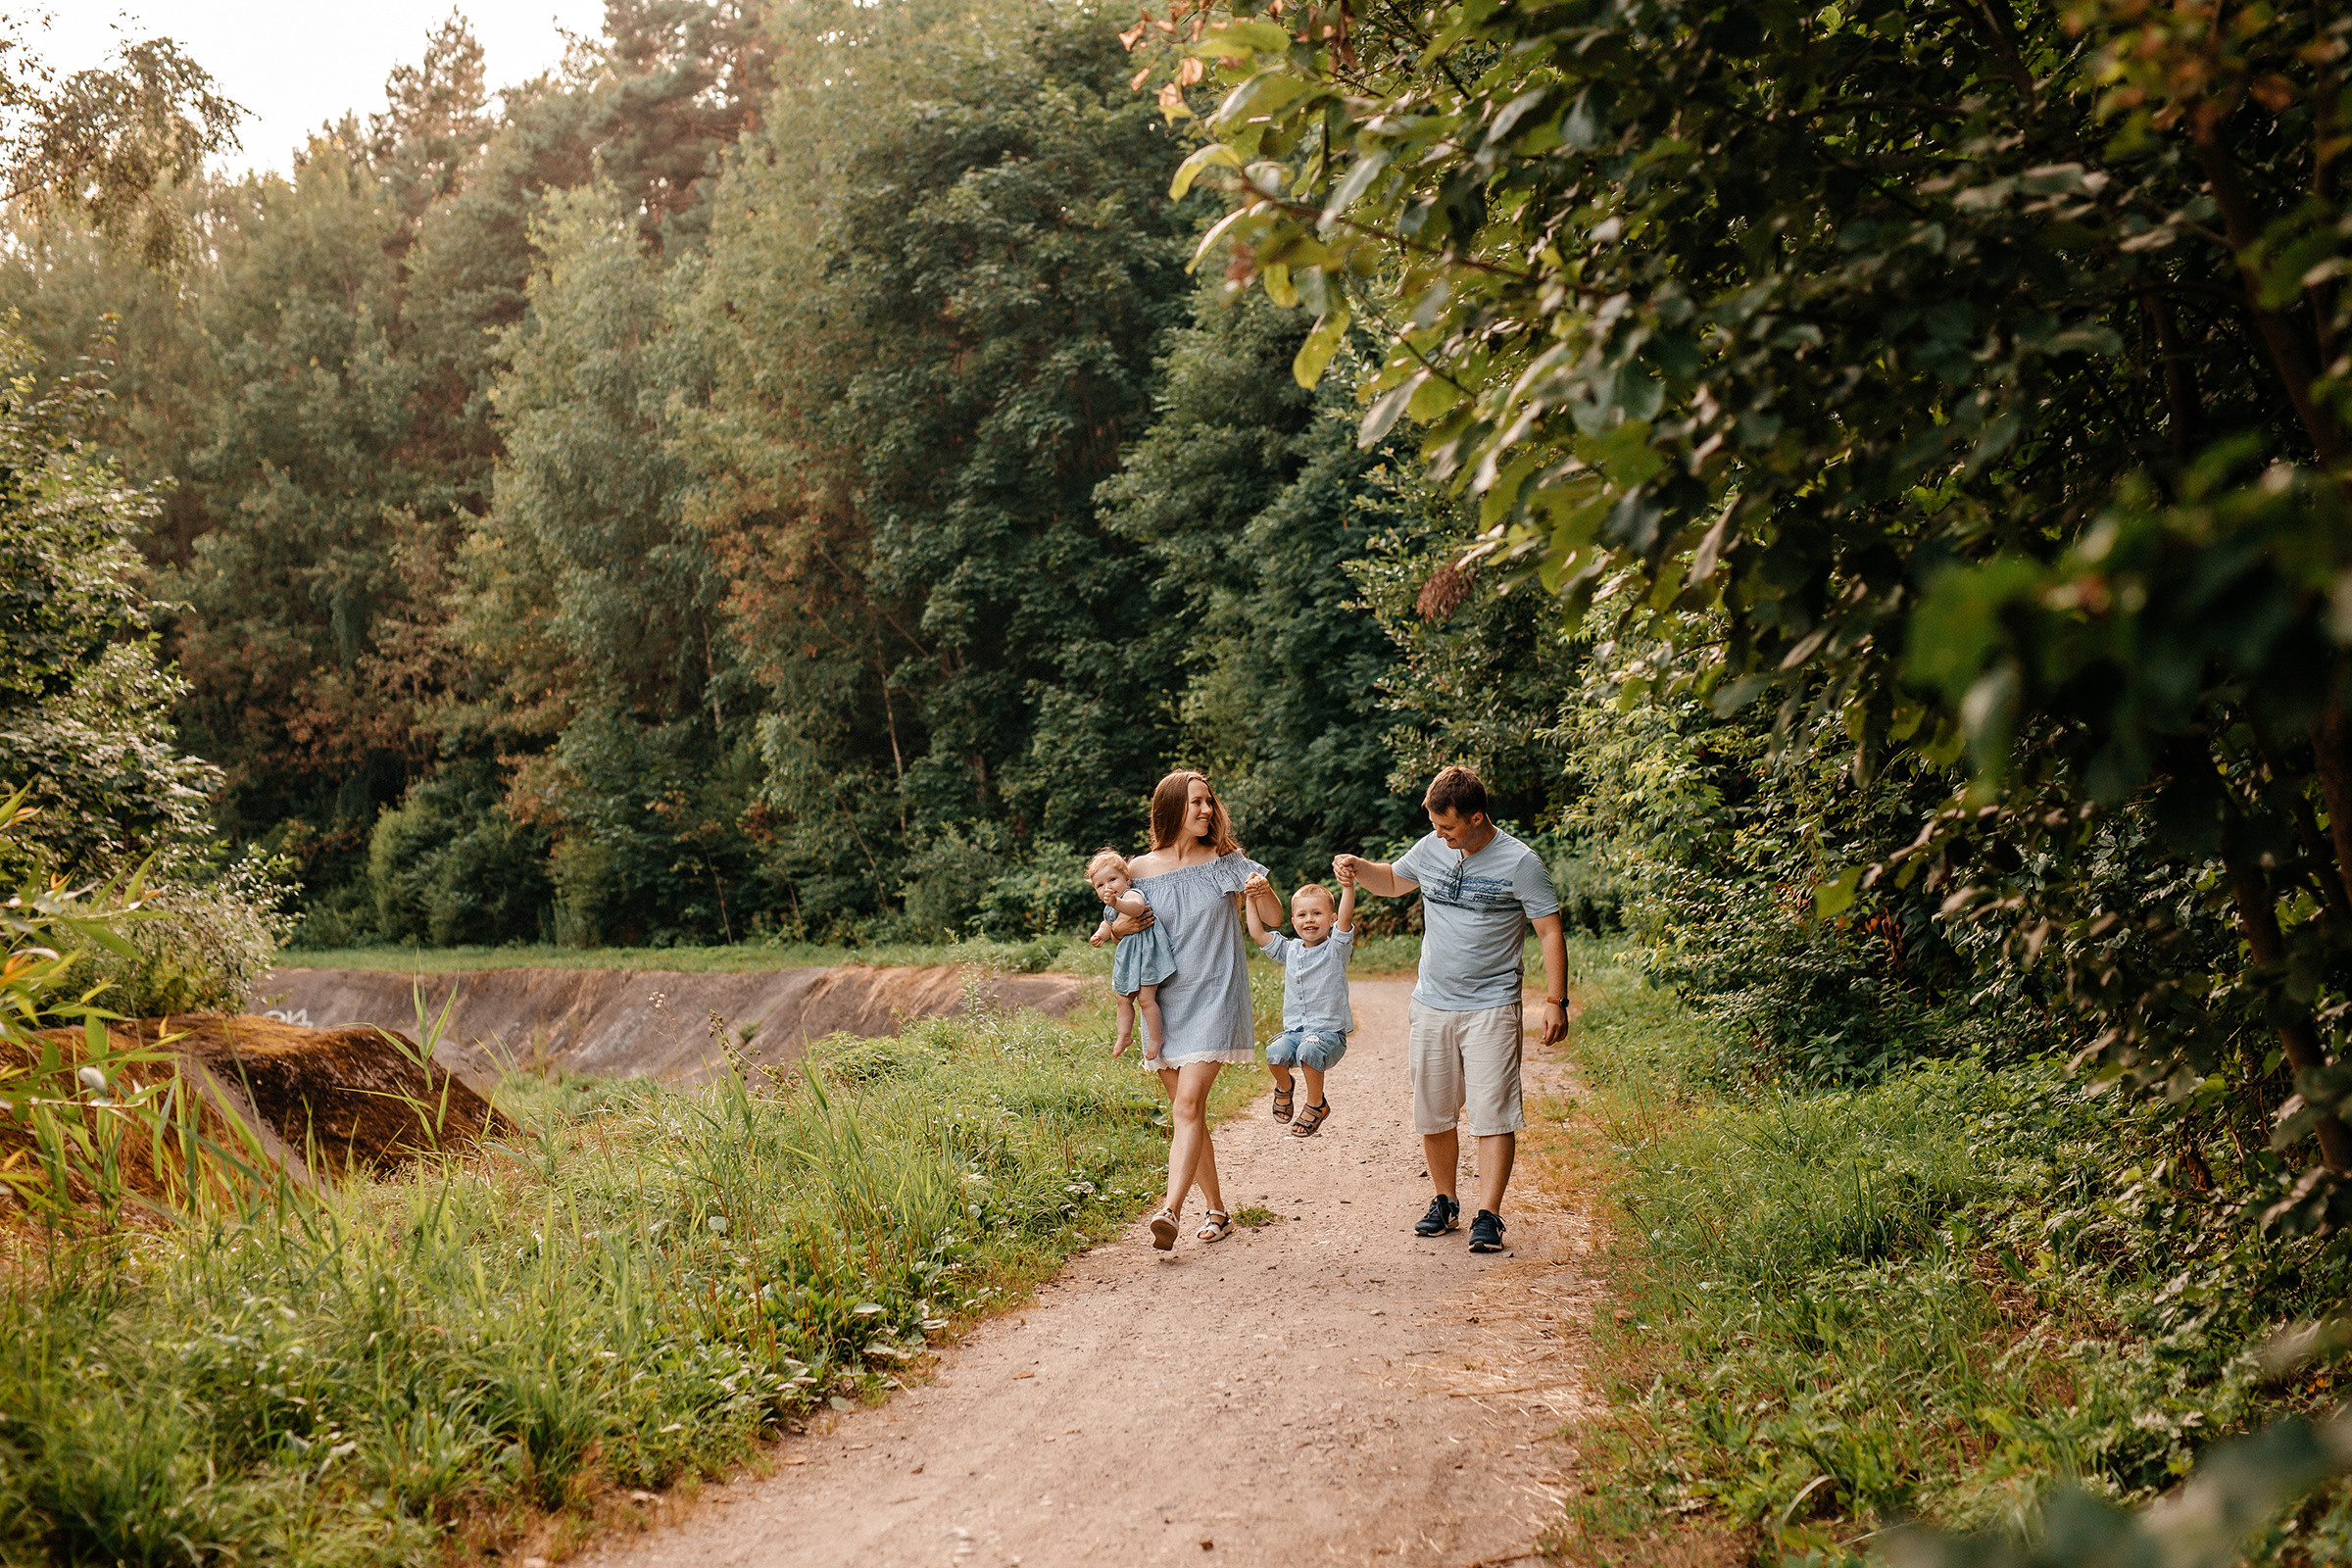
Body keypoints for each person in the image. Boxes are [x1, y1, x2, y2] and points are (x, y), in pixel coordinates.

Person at [1334, 764, 1567, 1254]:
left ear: (1478, 817)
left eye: (1448, 827)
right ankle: (1444, 1201)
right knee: (1434, 1110)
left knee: (1493, 1113)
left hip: (1492, 1006)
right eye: (1435, 825)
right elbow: (1394, 882)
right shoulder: (1431, 847)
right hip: (1432, 1004)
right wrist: (1358, 866)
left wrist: (1554, 1000)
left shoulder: (1521, 863)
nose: (1439, 835)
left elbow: (1549, 930)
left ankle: (1489, 1215)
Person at [1106, 770, 1275, 1250]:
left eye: (1208, 802)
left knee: (1186, 1105)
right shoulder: (1137, 871)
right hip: (1163, 1004)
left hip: (1216, 997)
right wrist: (1121, 928)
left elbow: (1275, 920)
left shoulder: (1228, 863)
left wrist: (1262, 892)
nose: (1206, 810)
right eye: (1196, 803)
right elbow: (1115, 929)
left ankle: (1170, 1211)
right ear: (1172, 808)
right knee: (1189, 1113)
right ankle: (1218, 1209)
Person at [1242, 872, 1354, 1139]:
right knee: (1274, 1052)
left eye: (1317, 913)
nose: (1310, 920)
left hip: (1327, 1035)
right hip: (1295, 1032)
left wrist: (1348, 887)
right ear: (1293, 922)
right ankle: (1284, 1086)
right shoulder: (1289, 949)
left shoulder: (1336, 949)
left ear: (1332, 919)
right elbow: (1257, 933)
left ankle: (1317, 1103)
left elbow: (1347, 919)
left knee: (1308, 1050)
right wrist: (1250, 898)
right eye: (1302, 915)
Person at [1086, 849, 1173, 1061]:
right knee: (1122, 998)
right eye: (1100, 885)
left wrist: (1116, 903)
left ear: (1126, 878)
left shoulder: (1130, 895)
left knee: (1145, 999)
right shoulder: (1110, 907)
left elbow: (1136, 909)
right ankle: (1124, 1035)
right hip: (1128, 960)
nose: (1108, 887)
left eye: (1112, 879)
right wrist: (1100, 935)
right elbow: (1108, 923)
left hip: (1147, 956)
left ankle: (1155, 1038)